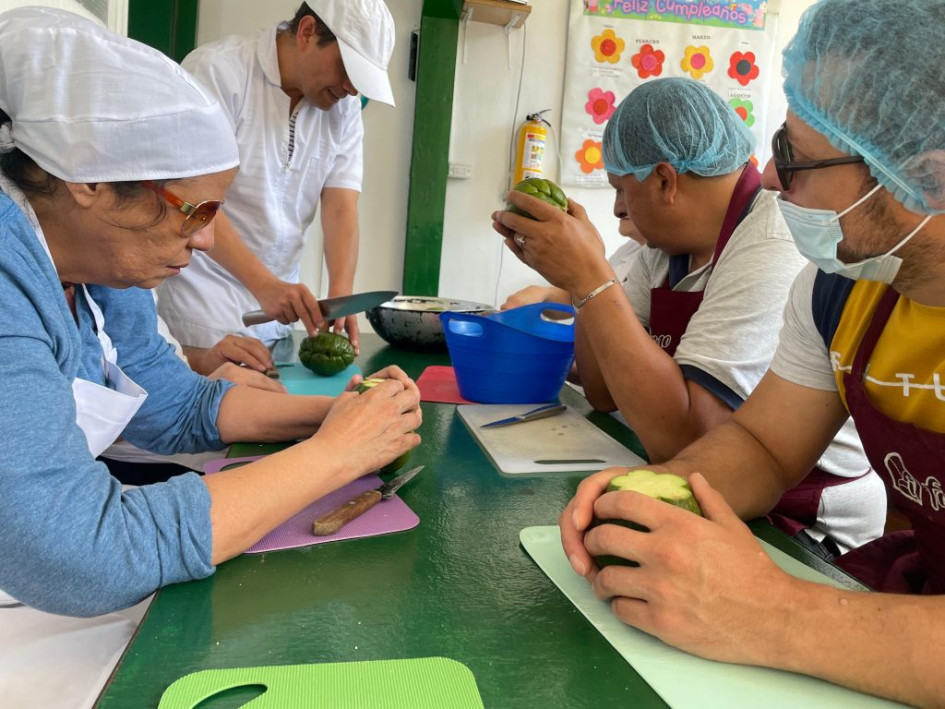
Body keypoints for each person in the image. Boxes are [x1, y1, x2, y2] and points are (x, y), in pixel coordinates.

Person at [0, 9, 420, 708]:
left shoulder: (100, 264)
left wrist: (335, 418)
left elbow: (172, 401)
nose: (203, 245)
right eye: (192, 213)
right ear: (89, 182)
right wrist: (333, 458)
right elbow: (76, 549)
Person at [556, 0, 945, 704]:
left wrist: (774, 612)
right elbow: (762, 446)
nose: (766, 178)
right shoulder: (838, 291)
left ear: (926, 177)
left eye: (793, 157)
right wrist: (657, 497)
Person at [493, 77, 883, 557]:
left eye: (620, 188)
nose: (617, 208)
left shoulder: (771, 243)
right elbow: (602, 392)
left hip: (803, 524)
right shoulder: (666, 250)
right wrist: (583, 278)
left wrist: (592, 276)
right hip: (719, 483)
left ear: (663, 180)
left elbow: (686, 440)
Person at [157, 0, 396, 354]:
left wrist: (341, 292)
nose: (351, 89)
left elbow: (341, 206)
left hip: (275, 322)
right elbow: (191, 198)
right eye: (348, 70)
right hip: (198, 313)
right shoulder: (219, 72)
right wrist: (263, 284)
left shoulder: (343, 109)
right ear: (307, 32)